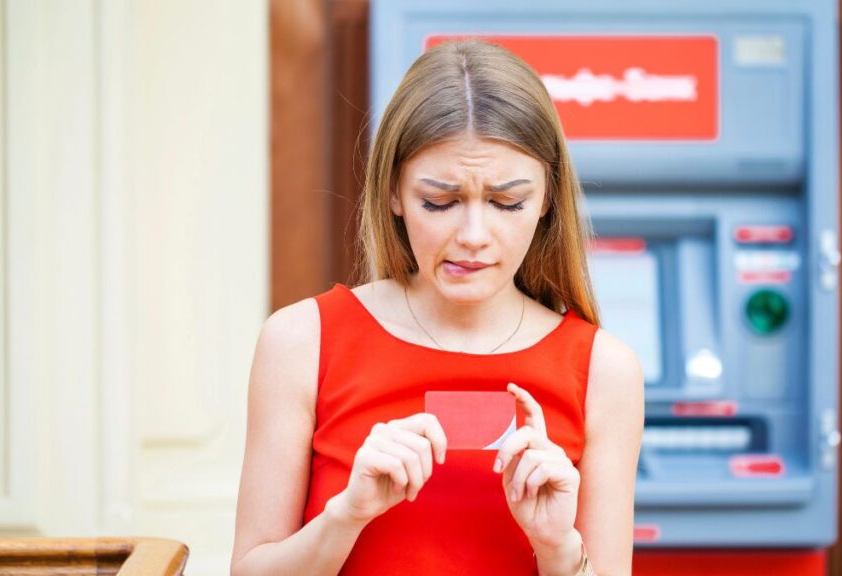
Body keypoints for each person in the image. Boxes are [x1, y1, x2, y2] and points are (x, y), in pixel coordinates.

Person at [230, 39, 644, 575]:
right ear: (394, 194)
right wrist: (345, 518)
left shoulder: (604, 371)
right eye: (440, 202)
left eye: (507, 202)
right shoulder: (300, 342)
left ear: (546, 199)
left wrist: (557, 547)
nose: (473, 235)